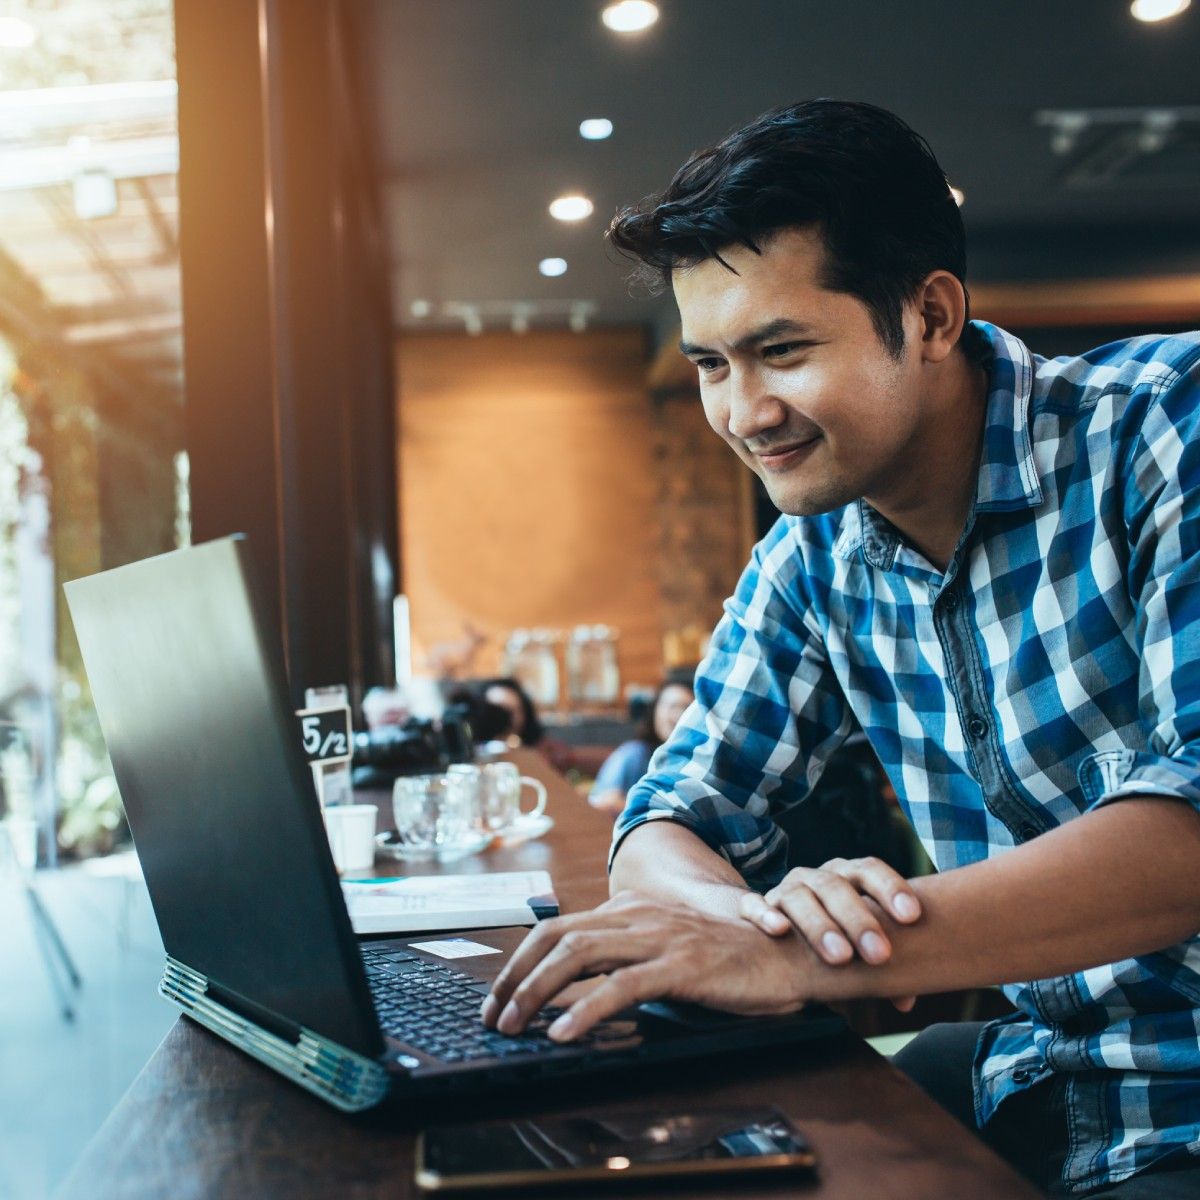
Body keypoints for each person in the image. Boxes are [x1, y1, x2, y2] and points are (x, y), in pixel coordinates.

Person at [479, 100, 1200, 1197]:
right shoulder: (811, 560)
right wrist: (738, 927)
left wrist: (795, 954)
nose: (743, 411)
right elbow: (667, 814)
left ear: (932, 315)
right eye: (712, 364)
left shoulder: (1162, 431)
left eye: (780, 351)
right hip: (1053, 1069)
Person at [588, 677, 695, 816]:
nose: (674, 715)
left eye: (684, 707)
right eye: (669, 706)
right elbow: (606, 802)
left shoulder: (694, 763)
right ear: (654, 711)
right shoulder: (634, 753)